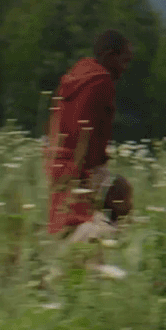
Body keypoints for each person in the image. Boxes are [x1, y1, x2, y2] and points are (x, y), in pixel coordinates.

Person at [45, 30, 132, 239]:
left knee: (66, 223)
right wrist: (92, 172)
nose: (124, 69)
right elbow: (93, 136)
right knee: (118, 198)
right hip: (79, 166)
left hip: (57, 162)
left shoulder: (75, 76)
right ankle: (107, 244)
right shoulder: (102, 82)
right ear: (110, 56)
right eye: (124, 61)